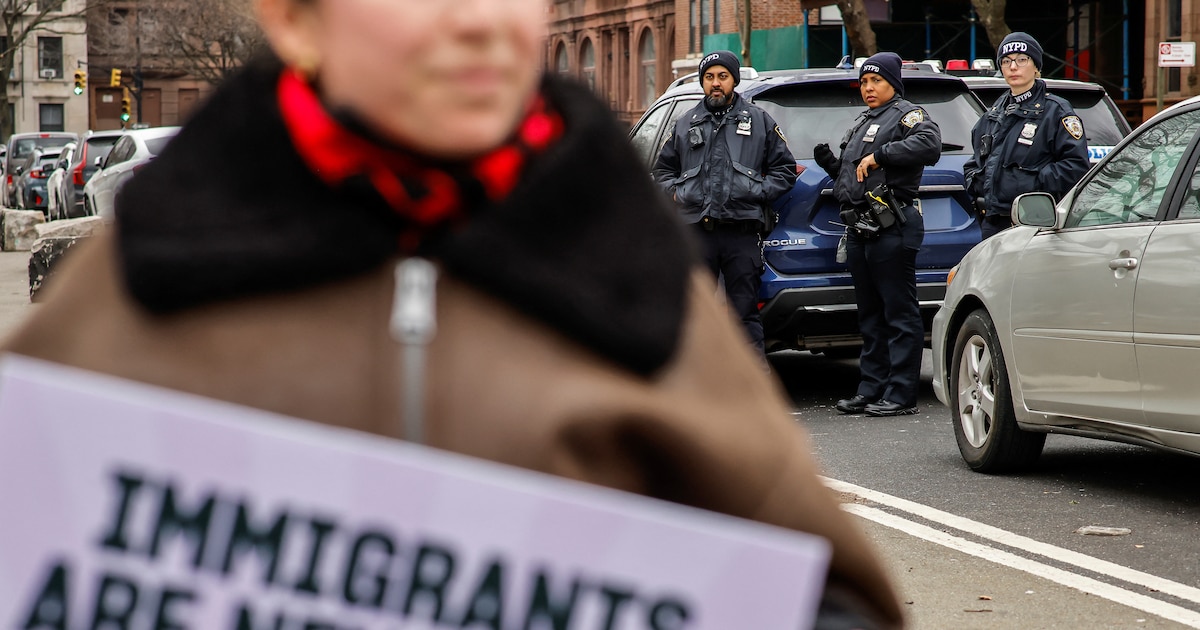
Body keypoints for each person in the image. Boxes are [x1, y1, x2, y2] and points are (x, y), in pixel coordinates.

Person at [0, 1, 902, 627]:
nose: (479, 20)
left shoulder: (634, 278)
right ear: (295, 18)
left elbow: (827, 599)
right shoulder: (145, 280)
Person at [813, 52, 941, 417]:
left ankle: (900, 395)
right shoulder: (864, 121)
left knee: (898, 314)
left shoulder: (907, 114)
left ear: (893, 84)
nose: (868, 88)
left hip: (892, 226)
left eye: (876, 81)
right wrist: (834, 166)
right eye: (864, 82)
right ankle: (870, 389)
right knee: (870, 316)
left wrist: (881, 155)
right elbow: (856, 178)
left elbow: (930, 145)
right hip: (860, 228)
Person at [653, 50, 796, 358]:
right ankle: (699, 379)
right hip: (696, 233)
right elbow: (662, 171)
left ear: (734, 80)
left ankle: (750, 381)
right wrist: (677, 193)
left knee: (743, 314)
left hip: (741, 233)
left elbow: (785, 170)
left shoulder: (758, 121)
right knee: (695, 313)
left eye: (722, 76)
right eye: (709, 77)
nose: (715, 83)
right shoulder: (685, 122)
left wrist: (756, 190)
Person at [964, 32, 1090, 240]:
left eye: (1022, 60)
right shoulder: (993, 114)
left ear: (1036, 67)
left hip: (1035, 223)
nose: (1013, 67)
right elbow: (975, 163)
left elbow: (1075, 166)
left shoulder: (1055, 111)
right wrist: (979, 183)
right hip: (993, 222)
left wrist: (1028, 185)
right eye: (1006, 61)